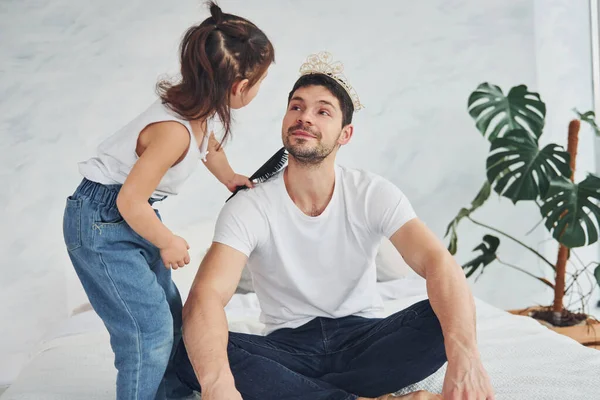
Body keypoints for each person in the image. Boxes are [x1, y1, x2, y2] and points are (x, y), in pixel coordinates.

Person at [174, 52, 495, 400]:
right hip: (290, 351)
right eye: (296, 107)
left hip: (368, 344)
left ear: (345, 134)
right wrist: (218, 383)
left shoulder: (372, 192)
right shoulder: (250, 205)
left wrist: (468, 358)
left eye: (322, 111)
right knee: (189, 355)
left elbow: (438, 263)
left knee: (446, 314)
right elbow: (207, 295)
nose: (304, 118)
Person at [61, 2, 274, 399]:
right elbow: (129, 201)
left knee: (173, 319)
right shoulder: (172, 132)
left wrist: (230, 178)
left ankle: (174, 395)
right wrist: (167, 240)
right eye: (260, 81)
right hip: (102, 220)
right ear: (239, 87)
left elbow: (210, 148)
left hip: (126, 216)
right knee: (148, 331)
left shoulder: (203, 112)